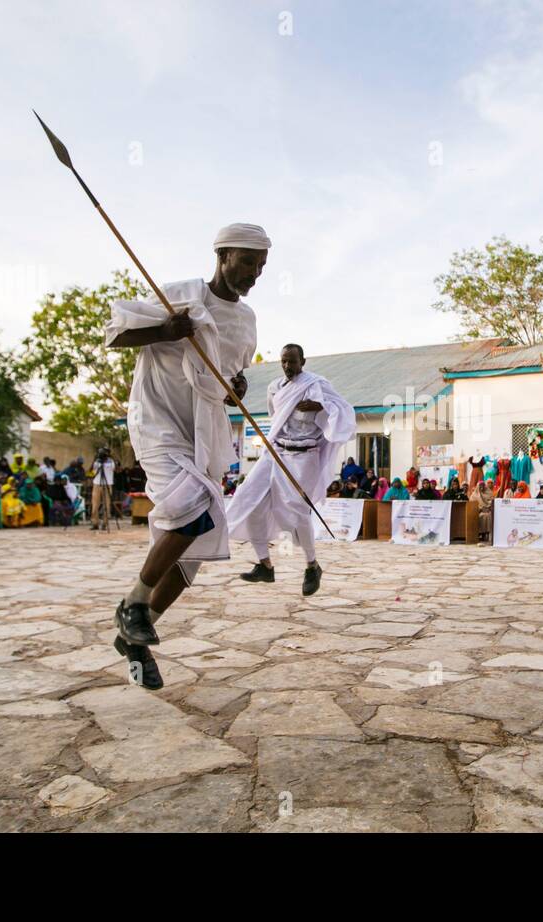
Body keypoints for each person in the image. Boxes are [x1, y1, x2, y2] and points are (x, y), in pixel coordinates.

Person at [103, 222, 267, 689]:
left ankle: (136, 635)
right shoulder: (176, 293)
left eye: (261, 266)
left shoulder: (248, 321)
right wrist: (165, 327)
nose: (255, 273)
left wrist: (237, 389)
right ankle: (132, 604)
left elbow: (230, 378)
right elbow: (114, 336)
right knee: (193, 508)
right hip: (157, 421)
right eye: (248, 262)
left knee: (194, 546)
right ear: (222, 256)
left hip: (203, 430)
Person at [227, 343, 355, 596]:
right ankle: (264, 565)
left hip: (304, 455)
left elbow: (345, 412)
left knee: (296, 511)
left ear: (302, 362)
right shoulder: (274, 387)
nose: (288, 366)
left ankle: (312, 566)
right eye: (284, 361)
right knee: (248, 500)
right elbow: (276, 417)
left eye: (292, 362)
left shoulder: (318, 385)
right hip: (276, 453)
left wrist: (322, 407)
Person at [89, 447, 116, 531]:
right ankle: (95, 523)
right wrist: (95, 459)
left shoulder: (111, 461)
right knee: (95, 505)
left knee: (106, 505)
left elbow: (115, 469)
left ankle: (105, 523)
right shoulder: (97, 461)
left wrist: (110, 457)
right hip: (97, 484)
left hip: (107, 484)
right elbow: (91, 471)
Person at [475, 479, 494, 544]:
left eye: (483, 486)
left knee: (488, 515)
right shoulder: (474, 495)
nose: (481, 487)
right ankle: (481, 534)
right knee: (481, 515)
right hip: (478, 511)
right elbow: (472, 504)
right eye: (480, 486)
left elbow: (491, 503)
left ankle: (486, 533)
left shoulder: (489, 493)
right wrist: (480, 509)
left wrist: (488, 508)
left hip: (488, 511)